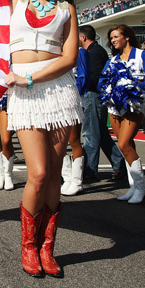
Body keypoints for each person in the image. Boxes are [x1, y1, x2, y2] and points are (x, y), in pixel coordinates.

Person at [0, 0, 86, 278]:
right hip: (24, 96)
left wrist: (29, 76)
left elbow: (69, 59)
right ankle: (28, 246)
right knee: (39, 172)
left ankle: (48, 248)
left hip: (58, 91)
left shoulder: (66, 8)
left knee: (54, 178)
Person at [102, 24, 145, 205]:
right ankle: (133, 186)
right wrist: (110, 88)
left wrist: (133, 85)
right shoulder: (112, 60)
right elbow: (102, 81)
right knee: (126, 146)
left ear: (127, 37)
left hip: (135, 103)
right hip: (115, 106)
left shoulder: (144, 54)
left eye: (116, 36)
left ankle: (141, 188)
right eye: (111, 38)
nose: (113, 40)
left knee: (124, 143)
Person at [79, 24, 125, 181]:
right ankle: (120, 165)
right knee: (102, 134)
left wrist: (80, 82)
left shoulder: (94, 52)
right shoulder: (95, 51)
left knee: (91, 134)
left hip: (93, 95)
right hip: (95, 95)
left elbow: (97, 77)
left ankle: (90, 171)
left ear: (83, 37)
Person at [60, 46, 90, 196]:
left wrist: (72, 93)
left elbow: (83, 76)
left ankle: (77, 181)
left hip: (74, 99)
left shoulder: (79, 51)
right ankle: (67, 178)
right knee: (60, 141)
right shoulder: (52, 48)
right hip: (56, 100)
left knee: (74, 140)